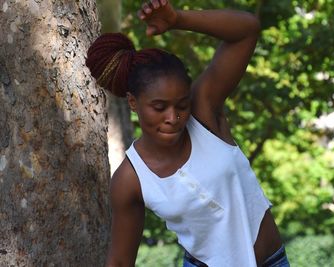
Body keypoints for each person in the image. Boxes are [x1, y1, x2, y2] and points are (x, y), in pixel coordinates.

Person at [86, 0, 290, 266]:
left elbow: (247, 30)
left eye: (181, 104)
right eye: (159, 107)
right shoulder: (130, 179)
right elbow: (120, 262)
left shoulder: (204, 113)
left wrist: (178, 20)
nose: (173, 118)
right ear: (133, 103)